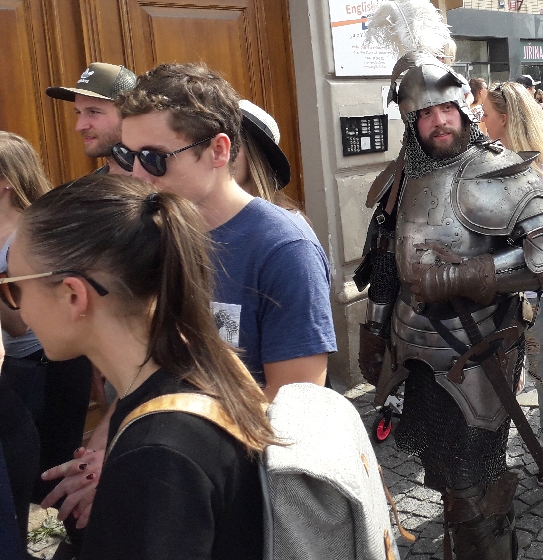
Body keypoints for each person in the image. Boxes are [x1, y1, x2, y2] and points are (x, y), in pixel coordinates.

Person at [40, 64, 337, 538]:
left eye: (155, 159)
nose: (137, 174)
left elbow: (293, 407)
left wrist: (157, 470)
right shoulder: (152, 233)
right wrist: (105, 450)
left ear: (218, 150)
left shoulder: (283, 248)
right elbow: (144, 368)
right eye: (127, 155)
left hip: (232, 493)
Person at [359, 0, 543, 559]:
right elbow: (383, 260)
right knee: (447, 479)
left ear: (464, 105)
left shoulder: (495, 169)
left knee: (477, 489)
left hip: (477, 350)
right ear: (409, 122)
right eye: (424, 115)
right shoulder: (401, 177)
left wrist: (462, 274)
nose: (438, 121)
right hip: (412, 349)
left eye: (445, 109)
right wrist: (374, 328)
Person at [6, 175, 273, 559]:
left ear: (73, 295)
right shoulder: (200, 365)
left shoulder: (157, 456)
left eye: (14, 287)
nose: (18, 309)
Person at [480, 82, 543, 482]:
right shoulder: (484, 161)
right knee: (499, 369)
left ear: (505, 117)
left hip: (541, 290)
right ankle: (494, 444)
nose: (480, 120)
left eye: (486, 113)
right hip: (499, 288)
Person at [0, 133, 92, 507]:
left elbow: (20, 324)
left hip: (45, 366)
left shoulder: (30, 236)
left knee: (46, 477)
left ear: (5, 180)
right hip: (19, 366)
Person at [45, 62, 139, 175]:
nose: (79, 126)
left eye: (94, 112)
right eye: (78, 112)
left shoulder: (160, 185)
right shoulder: (87, 187)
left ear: (130, 114)